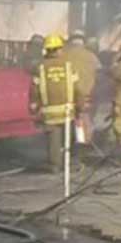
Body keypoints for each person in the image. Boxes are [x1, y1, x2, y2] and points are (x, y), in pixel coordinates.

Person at [34, 34, 76, 173]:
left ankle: (55, 164)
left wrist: (34, 104)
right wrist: (80, 104)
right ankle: (69, 162)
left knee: (53, 138)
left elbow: (34, 89)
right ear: (59, 49)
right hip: (67, 109)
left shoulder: (40, 67)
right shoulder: (69, 65)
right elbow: (77, 87)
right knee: (68, 136)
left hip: (49, 111)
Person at [62, 30, 101, 144]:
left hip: (68, 93)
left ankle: (70, 142)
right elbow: (99, 73)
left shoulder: (64, 55)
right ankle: (83, 142)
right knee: (84, 117)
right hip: (87, 93)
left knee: (70, 118)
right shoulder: (92, 56)